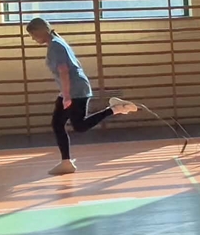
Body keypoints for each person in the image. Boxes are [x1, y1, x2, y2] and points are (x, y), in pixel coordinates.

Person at [26, 17, 136, 175]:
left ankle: (114, 109)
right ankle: (66, 162)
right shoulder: (57, 41)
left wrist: (66, 96)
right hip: (75, 89)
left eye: (33, 35)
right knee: (68, 125)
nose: (33, 39)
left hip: (75, 90)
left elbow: (64, 71)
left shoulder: (55, 46)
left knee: (69, 125)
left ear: (40, 31)